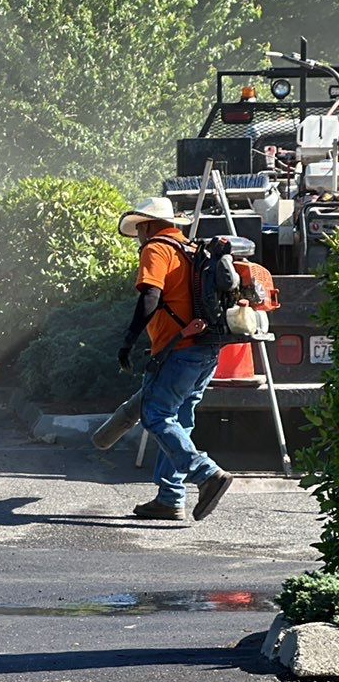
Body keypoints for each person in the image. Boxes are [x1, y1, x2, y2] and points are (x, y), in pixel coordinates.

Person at [116, 196, 233, 522]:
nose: (138, 236)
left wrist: (128, 340)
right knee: (179, 419)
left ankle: (207, 474)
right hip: (206, 350)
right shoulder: (191, 249)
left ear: (148, 226)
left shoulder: (157, 249)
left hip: (178, 351)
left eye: (140, 229)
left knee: (155, 415)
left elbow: (151, 295)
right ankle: (170, 498)